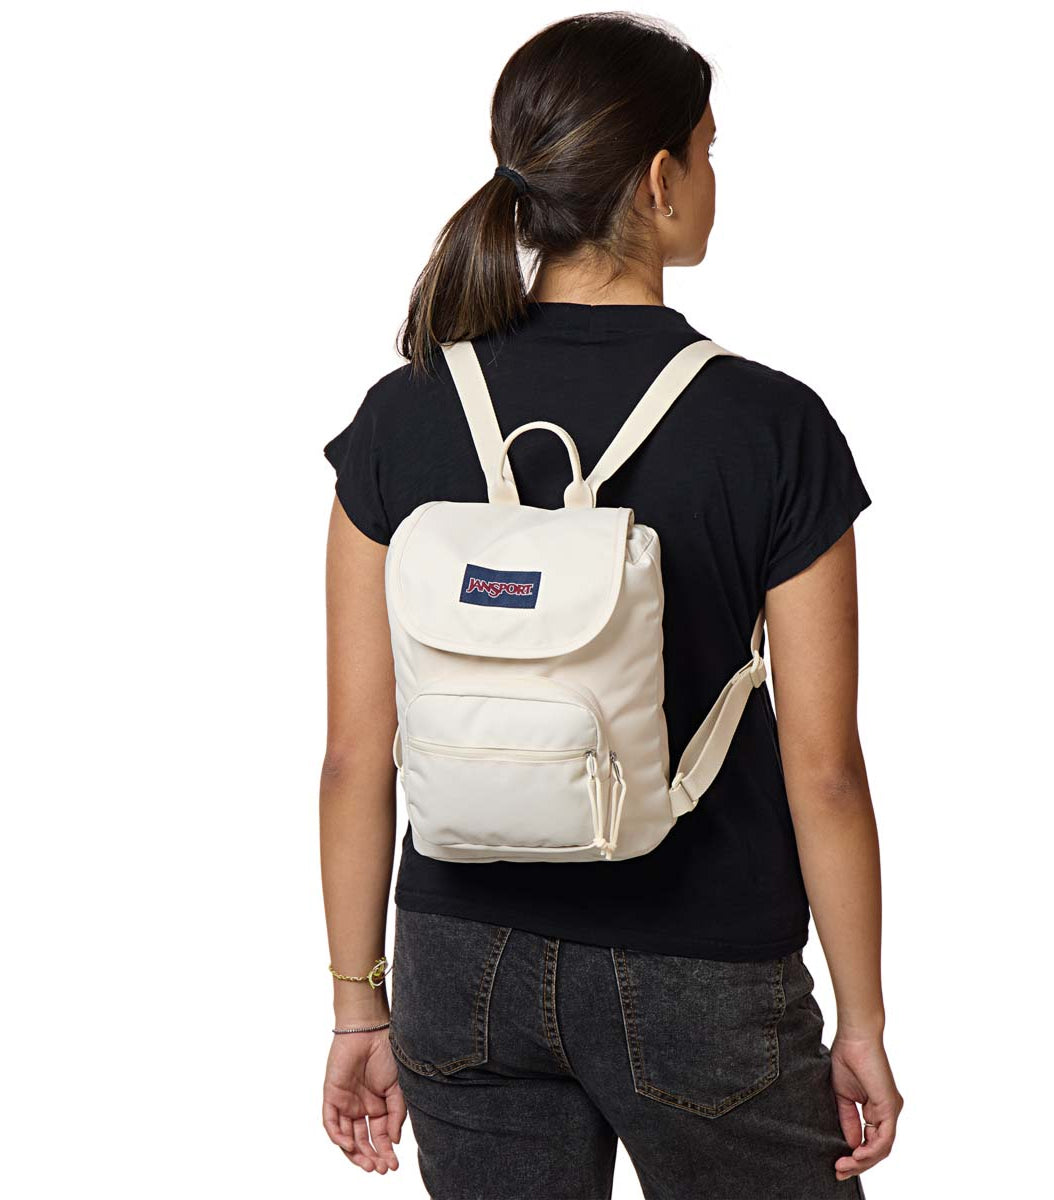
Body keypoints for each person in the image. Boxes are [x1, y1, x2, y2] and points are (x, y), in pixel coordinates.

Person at [319, 13, 901, 1198]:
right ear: (660, 180)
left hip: (457, 962)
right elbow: (826, 768)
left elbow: (353, 756)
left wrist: (355, 1003)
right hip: (704, 965)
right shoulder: (771, 425)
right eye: (709, 150)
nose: (714, 178)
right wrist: (862, 1019)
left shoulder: (402, 414)